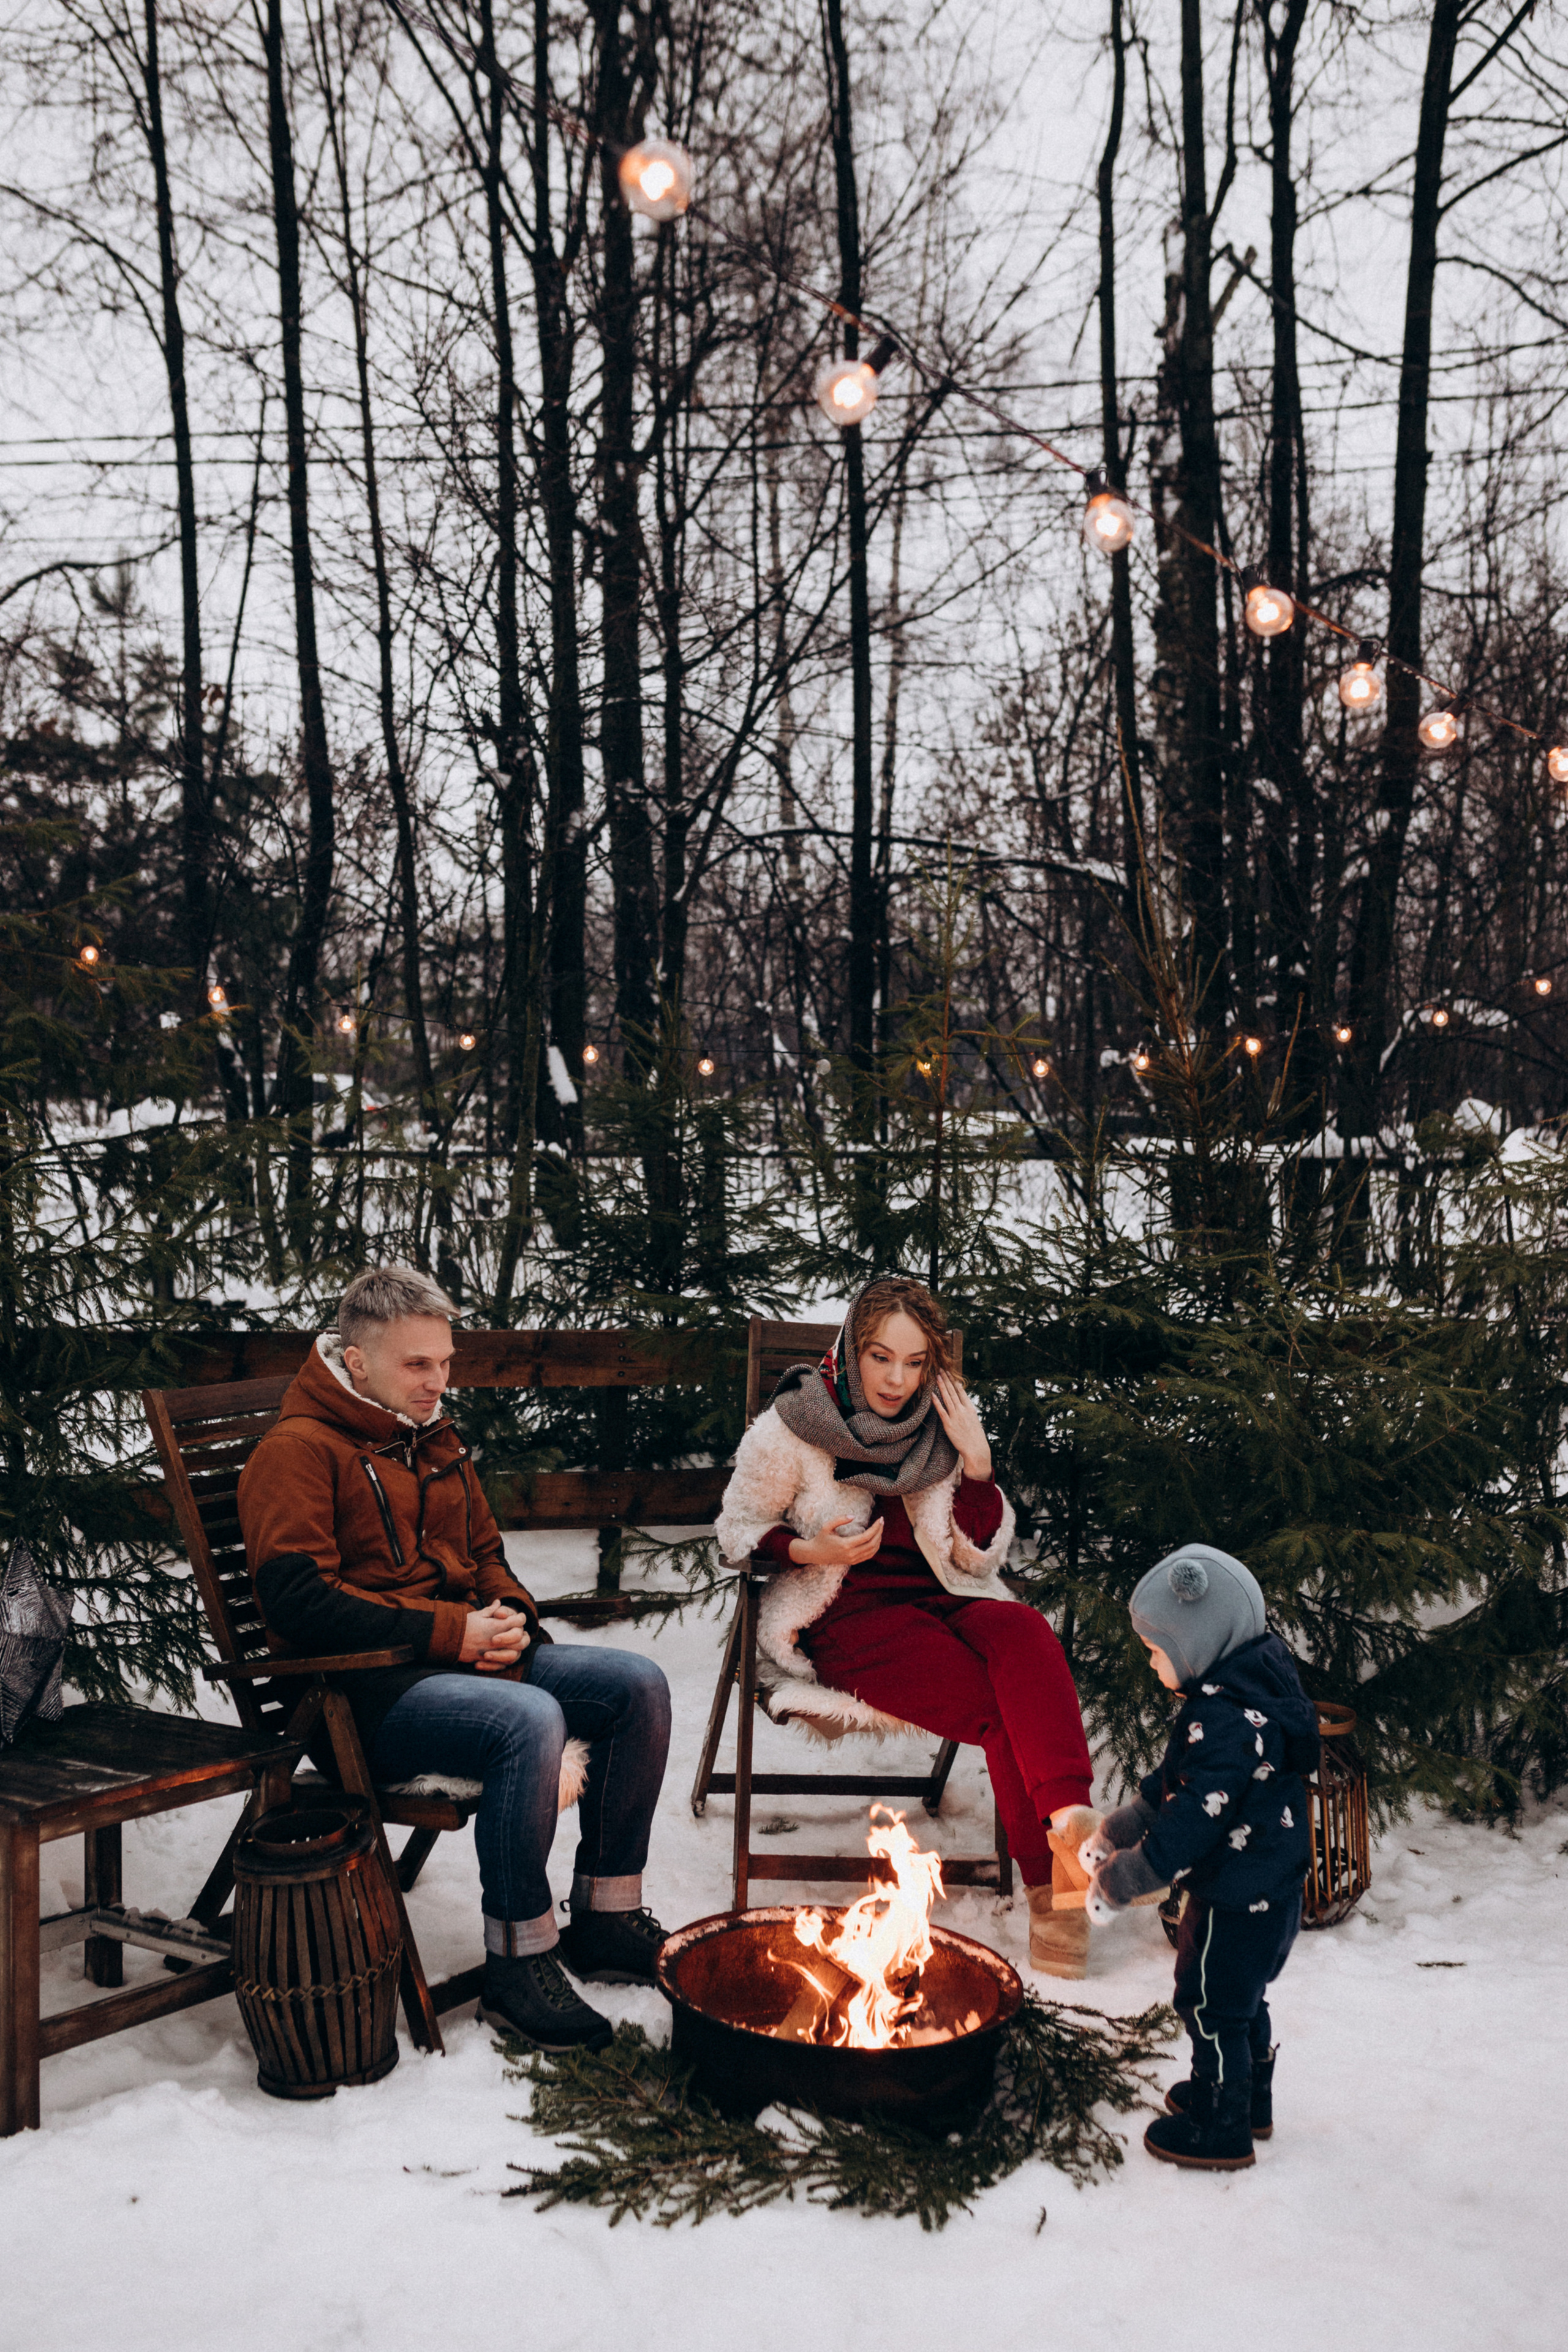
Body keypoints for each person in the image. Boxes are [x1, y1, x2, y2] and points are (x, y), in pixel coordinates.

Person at [236, 1265, 671, 2056]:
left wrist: (511, 1621)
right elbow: (298, 1602)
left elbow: (486, 1555)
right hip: (358, 1698)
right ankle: (518, 1964)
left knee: (635, 1686)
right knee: (527, 1720)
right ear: (357, 1361)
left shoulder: (431, 1437)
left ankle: (605, 1918)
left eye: (444, 1362)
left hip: (458, 1664)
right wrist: (450, 1633)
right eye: (417, 1364)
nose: (438, 1382)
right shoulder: (296, 1452)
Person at [714, 1273, 1101, 1978]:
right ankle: (1057, 1895)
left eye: (916, 1362)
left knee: (1027, 1635)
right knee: (1001, 1710)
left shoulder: (938, 1424)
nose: (898, 1380)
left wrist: (977, 1467)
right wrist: (807, 1550)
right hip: (848, 1617)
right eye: (881, 1358)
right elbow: (736, 1528)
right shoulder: (793, 1425)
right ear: (851, 1350)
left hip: (944, 1594)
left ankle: (1072, 1825)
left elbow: (976, 1552)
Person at [1082, 1543, 1321, 2170]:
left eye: (1156, 1649)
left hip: (1233, 1895)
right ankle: (1251, 2098)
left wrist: (1130, 1874)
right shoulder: (1253, 1690)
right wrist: (1129, 1821)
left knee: (1208, 2005)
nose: (1151, 1661)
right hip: (1270, 1886)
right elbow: (1185, 1779)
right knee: (1243, 1999)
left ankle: (1222, 2122)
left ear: (1196, 1645)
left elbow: (1194, 1817)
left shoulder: (1222, 1719)